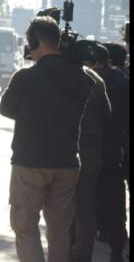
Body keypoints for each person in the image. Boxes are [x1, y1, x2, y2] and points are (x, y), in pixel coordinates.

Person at [0, 16, 94, 262]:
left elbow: (6, 109)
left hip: (29, 163)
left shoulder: (25, 77)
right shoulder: (82, 79)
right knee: (60, 231)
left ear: (36, 41)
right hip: (67, 164)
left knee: (25, 226)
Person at [71, 41, 113, 262]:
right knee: (85, 208)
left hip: (65, 152)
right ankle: (82, 256)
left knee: (61, 207)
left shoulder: (61, 76)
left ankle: (62, 252)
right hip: (91, 152)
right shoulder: (96, 81)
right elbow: (107, 116)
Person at [94, 42, 130, 262]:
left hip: (90, 150)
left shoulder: (90, 81)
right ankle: (117, 247)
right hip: (115, 151)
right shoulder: (124, 83)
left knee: (85, 202)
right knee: (116, 203)